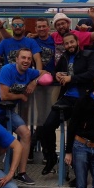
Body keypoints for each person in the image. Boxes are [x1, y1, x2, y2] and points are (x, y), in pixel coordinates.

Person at [0, 48, 47, 185]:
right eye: (23, 58)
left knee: (26, 134)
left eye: (28, 59)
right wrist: (21, 95)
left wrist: (34, 81)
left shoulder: (30, 72)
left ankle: (22, 173)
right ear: (17, 59)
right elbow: (4, 95)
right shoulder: (8, 69)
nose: (26, 61)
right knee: (3, 142)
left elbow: (45, 73)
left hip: (8, 112)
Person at [41, 32, 94, 175]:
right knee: (46, 127)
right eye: (66, 43)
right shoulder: (64, 57)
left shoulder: (89, 55)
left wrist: (71, 79)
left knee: (75, 132)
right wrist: (57, 75)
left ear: (77, 41)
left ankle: (77, 170)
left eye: (71, 42)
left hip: (83, 99)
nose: (69, 45)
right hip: (66, 98)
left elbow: (93, 73)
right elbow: (56, 71)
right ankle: (51, 157)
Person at [29, 17, 56, 160]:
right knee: (42, 117)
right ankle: (40, 149)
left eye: (43, 26)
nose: (41, 29)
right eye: (38, 27)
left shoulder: (54, 40)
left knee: (49, 117)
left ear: (48, 27)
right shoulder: (33, 41)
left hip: (54, 83)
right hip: (39, 83)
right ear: (35, 28)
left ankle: (33, 146)